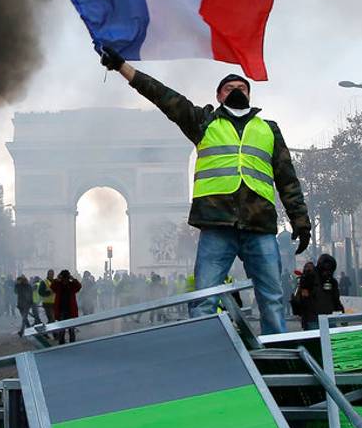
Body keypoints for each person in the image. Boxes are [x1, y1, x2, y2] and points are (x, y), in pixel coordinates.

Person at [100, 49, 311, 335]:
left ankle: (279, 354)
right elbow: (163, 96)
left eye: (242, 88)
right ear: (219, 96)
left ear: (250, 95)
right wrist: (123, 67)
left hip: (259, 224)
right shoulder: (203, 122)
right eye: (229, 88)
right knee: (204, 300)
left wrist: (300, 220)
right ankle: (207, 350)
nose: (236, 91)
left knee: (272, 299)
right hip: (217, 224)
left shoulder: (269, 129)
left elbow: (288, 179)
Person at [292, 254, 343, 330]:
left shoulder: (332, 281)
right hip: (312, 319)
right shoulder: (308, 278)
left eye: (329, 270)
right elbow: (303, 299)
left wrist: (342, 313)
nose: (327, 273)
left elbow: (336, 299)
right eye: (326, 270)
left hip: (328, 317)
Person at [51, 269, 83, 343]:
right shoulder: (58, 284)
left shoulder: (71, 285)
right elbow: (52, 287)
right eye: (64, 277)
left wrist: (73, 279)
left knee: (71, 329)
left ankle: (71, 343)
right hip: (61, 310)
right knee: (62, 329)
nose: (65, 279)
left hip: (70, 310)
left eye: (66, 277)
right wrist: (57, 279)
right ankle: (62, 343)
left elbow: (79, 286)